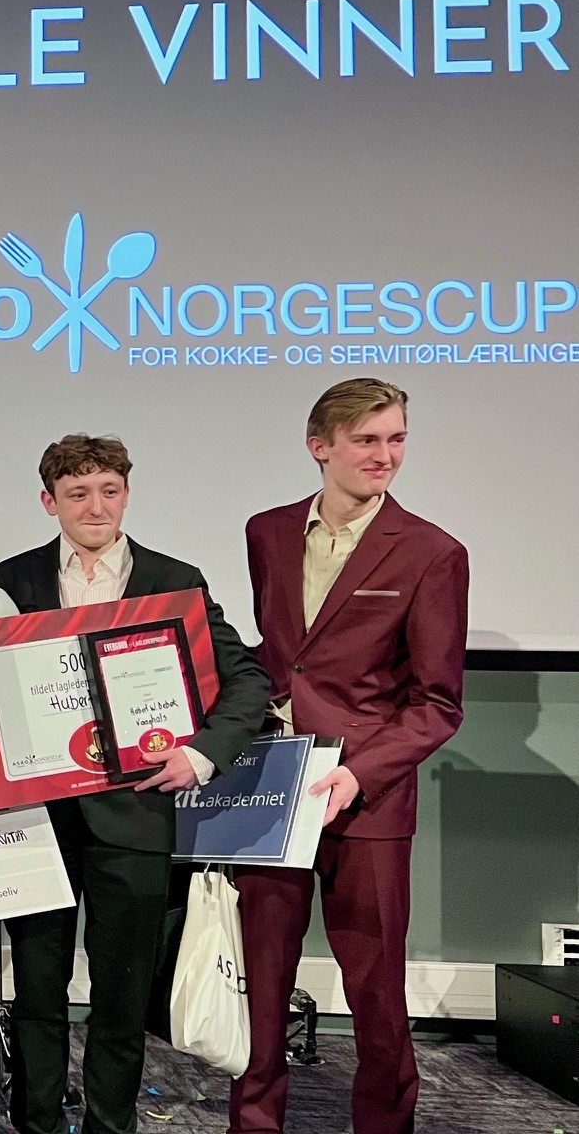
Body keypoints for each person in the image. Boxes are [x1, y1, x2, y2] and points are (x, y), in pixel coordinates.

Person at [0, 433, 269, 1134]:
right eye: (78, 493)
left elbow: (248, 681)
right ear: (49, 501)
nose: (96, 507)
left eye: (109, 491)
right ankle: (36, 1124)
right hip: (38, 822)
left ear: (127, 494)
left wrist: (202, 754)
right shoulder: (11, 579)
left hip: (136, 816)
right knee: (37, 993)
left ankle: (110, 1126)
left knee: (120, 998)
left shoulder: (176, 580)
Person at [229, 380, 468, 1134]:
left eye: (396, 439)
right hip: (273, 785)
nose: (385, 455)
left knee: (376, 994)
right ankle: (254, 1124)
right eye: (367, 440)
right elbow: (281, 658)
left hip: (368, 795)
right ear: (320, 446)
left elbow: (438, 702)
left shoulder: (432, 552)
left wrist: (358, 772)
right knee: (259, 985)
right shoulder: (267, 532)